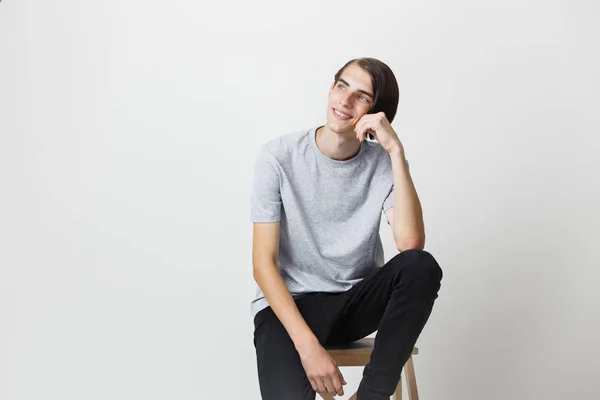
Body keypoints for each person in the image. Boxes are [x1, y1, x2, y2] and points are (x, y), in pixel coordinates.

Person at [250, 57, 443, 400]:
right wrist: (308, 347)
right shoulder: (277, 157)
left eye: (362, 96)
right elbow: (263, 264)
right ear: (330, 89)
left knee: (420, 266)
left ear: (375, 113)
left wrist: (396, 151)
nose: (345, 101)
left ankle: (372, 395)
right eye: (342, 86)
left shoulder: (383, 162)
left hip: (353, 303)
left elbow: (410, 243)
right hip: (288, 310)